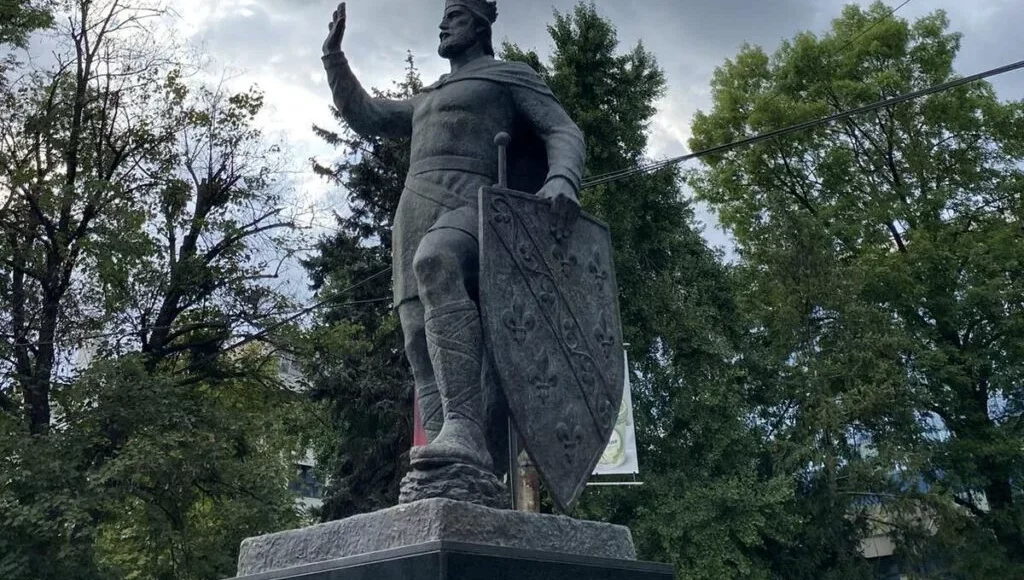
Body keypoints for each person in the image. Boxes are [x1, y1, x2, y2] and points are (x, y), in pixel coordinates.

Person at [321, 0, 585, 491]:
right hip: (413, 212)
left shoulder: (509, 76)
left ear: (480, 25)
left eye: (454, 16)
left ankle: (464, 426)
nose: (443, 25)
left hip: (477, 204)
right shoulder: (429, 95)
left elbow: (561, 129)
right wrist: (334, 59)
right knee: (418, 340)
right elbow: (369, 115)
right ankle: (454, 452)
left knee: (437, 261)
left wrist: (563, 178)